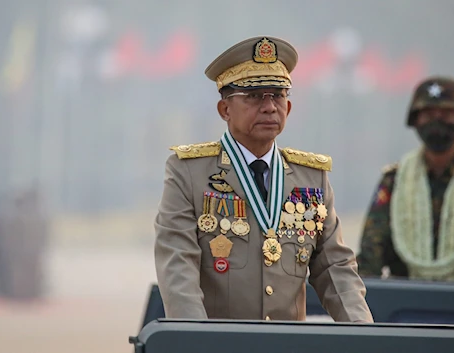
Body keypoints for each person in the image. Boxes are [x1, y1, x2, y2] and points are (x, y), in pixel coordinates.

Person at [154, 36, 374, 322]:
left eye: (278, 95)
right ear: (225, 110)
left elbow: (335, 269)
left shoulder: (311, 177)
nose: (269, 107)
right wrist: (198, 340)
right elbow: (178, 268)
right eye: (255, 96)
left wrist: (363, 334)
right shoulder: (189, 172)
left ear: (289, 108)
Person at [356, 76, 454, 284]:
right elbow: (370, 256)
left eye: (446, 114)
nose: (437, 120)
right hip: (401, 302)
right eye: (429, 114)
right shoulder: (394, 181)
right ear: (416, 121)